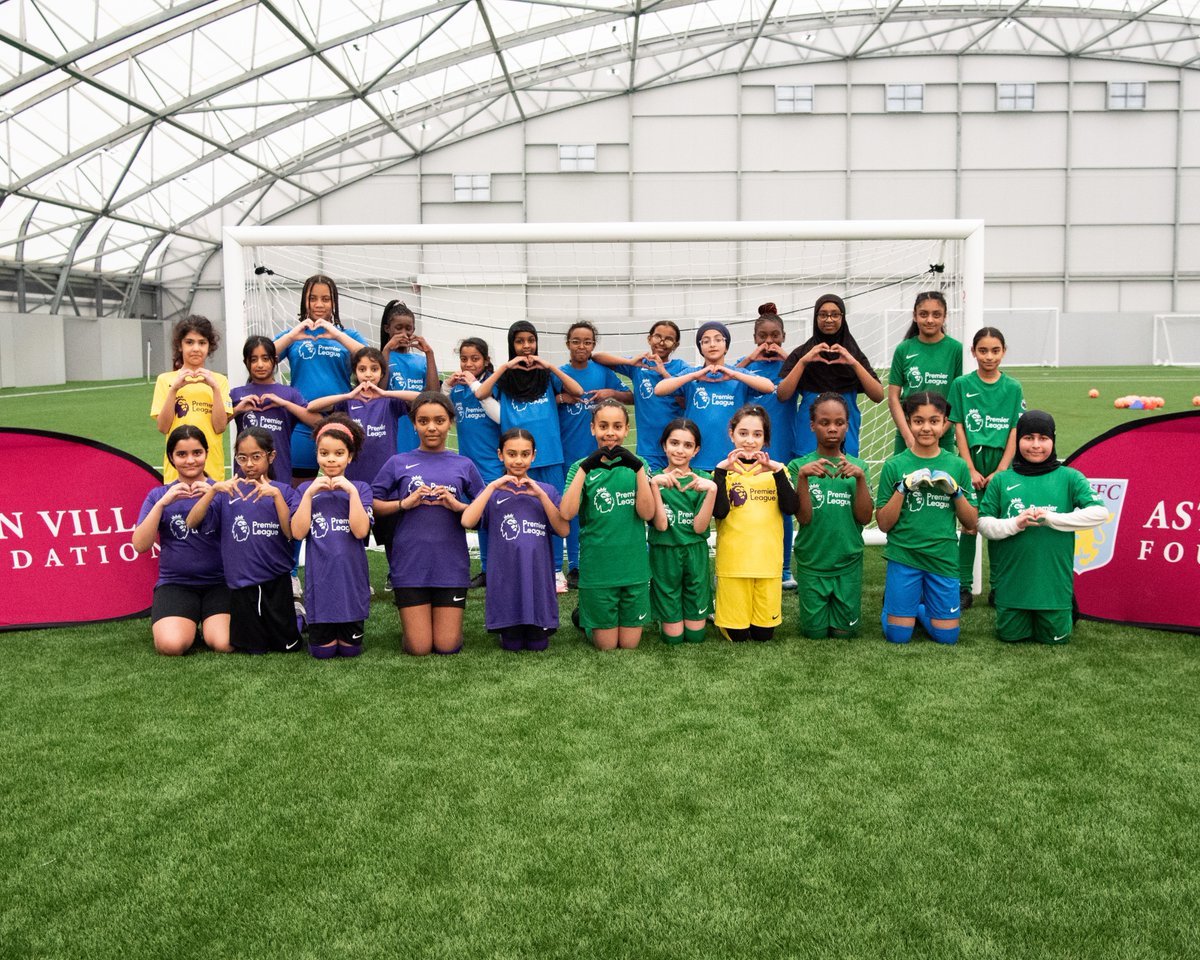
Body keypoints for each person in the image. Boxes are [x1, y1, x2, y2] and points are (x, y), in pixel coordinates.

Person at [977, 410, 1106, 645]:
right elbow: (984, 524)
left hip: (1053, 588)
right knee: (1009, 636)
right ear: (1018, 441)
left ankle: (1066, 604)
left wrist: (1051, 519)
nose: (1036, 445)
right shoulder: (1001, 480)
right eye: (1028, 438)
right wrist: (1015, 523)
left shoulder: (1070, 477)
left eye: (1043, 438)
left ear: (1053, 440)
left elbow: (1099, 513)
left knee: (1056, 639)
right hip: (1012, 588)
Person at [371, 392, 484, 656]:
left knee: (447, 646)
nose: (431, 427)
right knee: (419, 648)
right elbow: (372, 502)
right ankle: (415, 626)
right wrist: (402, 504)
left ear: (450, 423)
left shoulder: (464, 464)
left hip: (450, 565)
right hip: (410, 563)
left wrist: (457, 506)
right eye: (423, 421)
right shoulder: (398, 462)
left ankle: (439, 624)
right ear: (414, 424)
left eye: (439, 420)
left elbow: (483, 510)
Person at [475, 321, 584, 592]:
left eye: (531, 340)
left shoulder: (546, 377)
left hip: (549, 456)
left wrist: (549, 366)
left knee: (555, 513)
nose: (526, 346)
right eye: (520, 341)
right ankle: (519, 566)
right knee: (518, 513)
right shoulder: (506, 378)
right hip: (517, 459)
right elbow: (480, 392)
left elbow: (577, 391)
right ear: (512, 345)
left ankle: (556, 570)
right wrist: (504, 367)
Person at [186, 427, 302, 654]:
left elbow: (291, 534)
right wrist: (212, 491)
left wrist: (276, 496)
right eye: (242, 458)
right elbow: (191, 523)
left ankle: (298, 616)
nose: (249, 464)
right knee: (251, 648)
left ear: (271, 456)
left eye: (256, 457)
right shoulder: (226, 493)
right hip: (241, 586)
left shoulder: (285, 492)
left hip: (276, 581)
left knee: (288, 646)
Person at [875, 392, 978, 645]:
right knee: (898, 636)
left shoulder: (958, 466)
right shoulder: (894, 465)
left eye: (934, 421)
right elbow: (884, 523)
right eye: (918, 421)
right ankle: (897, 612)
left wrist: (955, 493)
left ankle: (917, 611)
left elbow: (971, 522)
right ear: (909, 422)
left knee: (947, 637)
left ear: (945, 424)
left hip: (942, 557)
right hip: (904, 555)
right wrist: (903, 488)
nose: (926, 428)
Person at [306, 346, 412, 589]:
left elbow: (421, 398)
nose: (368, 374)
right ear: (354, 372)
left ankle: (397, 578)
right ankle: (359, 580)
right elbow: (313, 406)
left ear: (382, 372)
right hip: (354, 482)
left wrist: (386, 393)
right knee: (355, 537)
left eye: (374, 369)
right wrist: (347, 396)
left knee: (392, 537)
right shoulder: (347, 404)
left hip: (387, 484)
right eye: (362, 369)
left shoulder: (389, 403)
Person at [461, 429, 569, 652]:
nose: (518, 460)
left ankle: (537, 621)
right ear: (500, 455)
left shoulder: (546, 491)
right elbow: (467, 520)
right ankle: (508, 623)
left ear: (533, 455)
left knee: (538, 644)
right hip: (505, 578)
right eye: (512, 454)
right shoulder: (493, 492)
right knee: (512, 644)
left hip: (537, 576)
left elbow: (563, 529)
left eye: (524, 454)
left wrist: (540, 495)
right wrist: (491, 486)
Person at [560, 399, 656, 651]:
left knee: (629, 645)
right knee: (607, 646)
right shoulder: (579, 467)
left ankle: (595, 615)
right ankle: (587, 617)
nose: (610, 433)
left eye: (617, 426)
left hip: (633, 569)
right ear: (593, 428)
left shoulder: (640, 465)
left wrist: (636, 468)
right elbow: (567, 512)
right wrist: (585, 467)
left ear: (626, 430)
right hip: (598, 570)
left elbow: (647, 513)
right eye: (603, 426)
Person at [132, 425, 232, 656]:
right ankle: (188, 624)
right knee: (172, 646)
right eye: (182, 454)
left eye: (197, 453)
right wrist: (162, 505)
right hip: (176, 583)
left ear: (207, 454)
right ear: (171, 458)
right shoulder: (158, 495)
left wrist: (213, 491)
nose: (190, 461)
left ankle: (208, 624)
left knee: (224, 643)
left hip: (219, 583)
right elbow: (140, 545)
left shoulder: (222, 491)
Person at [947, 326, 1024, 608]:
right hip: (972, 464)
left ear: (1004, 352)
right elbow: (958, 427)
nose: (989, 356)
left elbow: (1016, 429)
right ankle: (962, 586)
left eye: (995, 350)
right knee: (969, 525)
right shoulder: (962, 385)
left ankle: (1000, 587)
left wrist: (1003, 468)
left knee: (999, 526)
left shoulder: (1013, 387)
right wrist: (968, 466)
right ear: (973, 352)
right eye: (983, 350)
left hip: (1002, 465)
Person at [787, 393, 872, 639]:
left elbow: (865, 518)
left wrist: (861, 479)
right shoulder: (798, 467)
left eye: (839, 423)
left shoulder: (859, 467)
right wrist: (803, 478)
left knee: (843, 633)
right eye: (824, 423)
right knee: (814, 633)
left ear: (847, 425)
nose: (832, 429)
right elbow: (803, 518)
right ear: (813, 425)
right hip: (813, 561)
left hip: (848, 560)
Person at [712, 405, 798, 642]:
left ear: (765, 438)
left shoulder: (779, 471)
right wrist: (720, 472)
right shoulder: (722, 473)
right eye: (743, 433)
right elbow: (719, 512)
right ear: (731, 434)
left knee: (763, 635)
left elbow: (791, 508)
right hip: (734, 566)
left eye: (757, 434)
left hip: (768, 566)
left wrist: (778, 473)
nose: (750, 441)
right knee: (737, 636)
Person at [557, 321, 633, 588]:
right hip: (568, 451)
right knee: (572, 509)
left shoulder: (601, 372)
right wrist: (559, 399)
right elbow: (542, 402)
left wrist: (611, 393)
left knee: (601, 506)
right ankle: (575, 565)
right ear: (567, 344)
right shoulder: (559, 373)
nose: (581, 346)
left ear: (593, 345)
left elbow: (630, 396)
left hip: (602, 453)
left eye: (587, 342)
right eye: (576, 341)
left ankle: (600, 559)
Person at [292, 415, 374, 659]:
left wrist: (349, 491)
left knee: (350, 651)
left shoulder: (360, 489)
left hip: (352, 584)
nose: (331, 459)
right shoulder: (305, 490)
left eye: (338, 453)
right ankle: (303, 616)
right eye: (324, 453)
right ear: (317, 455)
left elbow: (360, 531)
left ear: (349, 457)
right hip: (321, 587)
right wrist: (308, 496)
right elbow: (297, 532)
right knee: (322, 652)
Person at [274, 274, 368, 482]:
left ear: (334, 302)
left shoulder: (347, 335)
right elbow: (262, 355)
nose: (319, 304)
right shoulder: (294, 335)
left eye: (325, 299)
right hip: (303, 422)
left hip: (341, 421)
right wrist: (291, 336)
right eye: (312, 298)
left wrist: (336, 335)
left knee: (343, 485)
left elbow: (371, 359)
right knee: (299, 488)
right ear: (304, 301)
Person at [735, 302, 801, 588]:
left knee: (782, 508)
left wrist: (787, 357)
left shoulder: (793, 366)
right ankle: (745, 563)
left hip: (783, 444)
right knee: (747, 506)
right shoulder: (745, 365)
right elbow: (725, 376)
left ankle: (784, 569)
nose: (769, 342)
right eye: (763, 337)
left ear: (784, 337)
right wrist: (751, 357)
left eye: (775, 336)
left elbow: (805, 375)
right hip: (750, 448)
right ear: (754, 339)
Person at [653, 321, 775, 472]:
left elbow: (769, 387)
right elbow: (659, 389)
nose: (712, 344)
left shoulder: (737, 377)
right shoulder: (692, 376)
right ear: (700, 348)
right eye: (706, 341)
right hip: (696, 462)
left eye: (718, 339)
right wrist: (694, 376)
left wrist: (734, 374)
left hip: (733, 462)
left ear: (726, 346)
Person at [776, 294, 883, 457]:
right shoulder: (802, 353)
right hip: (808, 441)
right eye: (823, 314)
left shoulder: (853, 354)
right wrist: (804, 362)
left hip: (847, 444)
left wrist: (853, 363)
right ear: (816, 317)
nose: (829, 319)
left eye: (835, 314)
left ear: (843, 317)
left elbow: (878, 395)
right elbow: (782, 394)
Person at [647, 418, 717, 645]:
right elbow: (661, 526)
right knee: (673, 638)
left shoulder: (704, 480)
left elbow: (698, 528)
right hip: (664, 552)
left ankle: (696, 611)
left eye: (687, 445)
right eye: (674, 443)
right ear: (664, 445)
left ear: (696, 450)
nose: (680, 450)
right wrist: (654, 487)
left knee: (696, 636)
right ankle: (667, 615)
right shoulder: (653, 479)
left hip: (694, 553)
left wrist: (712, 490)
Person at [443, 337, 502, 589]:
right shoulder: (457, 388)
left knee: (494, 516)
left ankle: (498, 568)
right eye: (464, 359)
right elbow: (442, 410)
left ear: (486, 360)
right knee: (476, 516)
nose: (469, 364)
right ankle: (487, 570)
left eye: (475, 359)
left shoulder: (491, 384)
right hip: (466, 463)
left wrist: (477, 385)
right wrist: (446, 387)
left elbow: (500, 417)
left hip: (493, 463)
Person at [592, 320, 690, 471]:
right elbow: (597, 357)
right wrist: (629, 362)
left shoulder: (681, 367)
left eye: (669, 339)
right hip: (649, 448)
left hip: (677, 446)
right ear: (649, 339)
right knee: (651, 489)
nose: (662, 342)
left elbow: (685, 402)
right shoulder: (639, 365)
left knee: (676, 489)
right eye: (657, 337)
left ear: (675, 345)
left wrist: (663, 372)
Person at [229, 336, 321, 486]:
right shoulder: (236, 394)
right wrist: (238, 409)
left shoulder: (289, 394)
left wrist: (285, 404)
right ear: (246, 362)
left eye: (265, 359)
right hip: (244, 477)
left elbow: (318, 422)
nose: (260, 365)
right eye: (254, 359)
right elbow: (217, 425)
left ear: (275, 360)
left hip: (280, 476)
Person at [150, 315, 232, 482]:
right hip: (176, 472)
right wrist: (174, 389)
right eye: (189, 342)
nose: (196, 348)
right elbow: (163, 427)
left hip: (211, 469)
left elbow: (220, 426)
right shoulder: (165, 380)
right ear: (180, 345)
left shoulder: (220, 381)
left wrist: (214, 388)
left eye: (202, 343)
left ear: (209, 346)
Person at [887, 291, 962, 454]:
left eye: (936, 314)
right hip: (908, 434)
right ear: (915, 316)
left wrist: (941, 430)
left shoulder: (956, 350)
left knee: (943, 480)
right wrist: (908, 435)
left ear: (944, 317)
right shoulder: (904, 349)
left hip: (942, 435)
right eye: (923, 314)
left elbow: (959, 397)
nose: (929, 320)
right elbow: (893, 397)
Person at [379, 299, 440, 453]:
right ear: (387, 328)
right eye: (398, 328)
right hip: (391, 427)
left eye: (409, 329)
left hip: (416, 428)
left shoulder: (421, 361)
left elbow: (433, 395)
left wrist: (429, 353)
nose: (404, 334)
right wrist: (386, 350)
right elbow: (379, 390)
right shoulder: (381, 358)